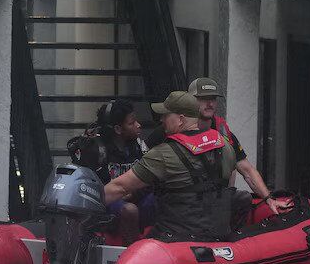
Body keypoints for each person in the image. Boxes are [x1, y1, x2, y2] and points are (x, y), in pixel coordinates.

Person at [101, 92, 237, 242]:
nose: (161, 119)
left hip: (176, 236)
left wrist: (84, 203)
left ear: (180, 119)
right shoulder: (225, 146)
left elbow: (119, 187)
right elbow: (228, 182)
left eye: (166, 115)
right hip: (218, 234)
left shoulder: (163, 153)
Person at [187, 76, 284, 216]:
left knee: (243, 198)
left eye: (213, 98)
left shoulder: (225, 135)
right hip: (187, 201)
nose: (209, 103)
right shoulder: (176, 129)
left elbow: (247, 171)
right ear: (190, 101)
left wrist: (269, 199)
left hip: (217, 200)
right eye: (203, 98)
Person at [69, 99, 153, 243]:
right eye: (131, 123)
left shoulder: (138, 145)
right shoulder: (95, 150)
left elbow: (149, 179)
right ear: (118, 129)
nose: (138, 125)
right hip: (107, 207)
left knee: (163, 199)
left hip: (135, 198)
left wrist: (133, 192)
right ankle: (132, 251)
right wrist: (120, 195)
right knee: (129, 210)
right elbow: (90, 191)